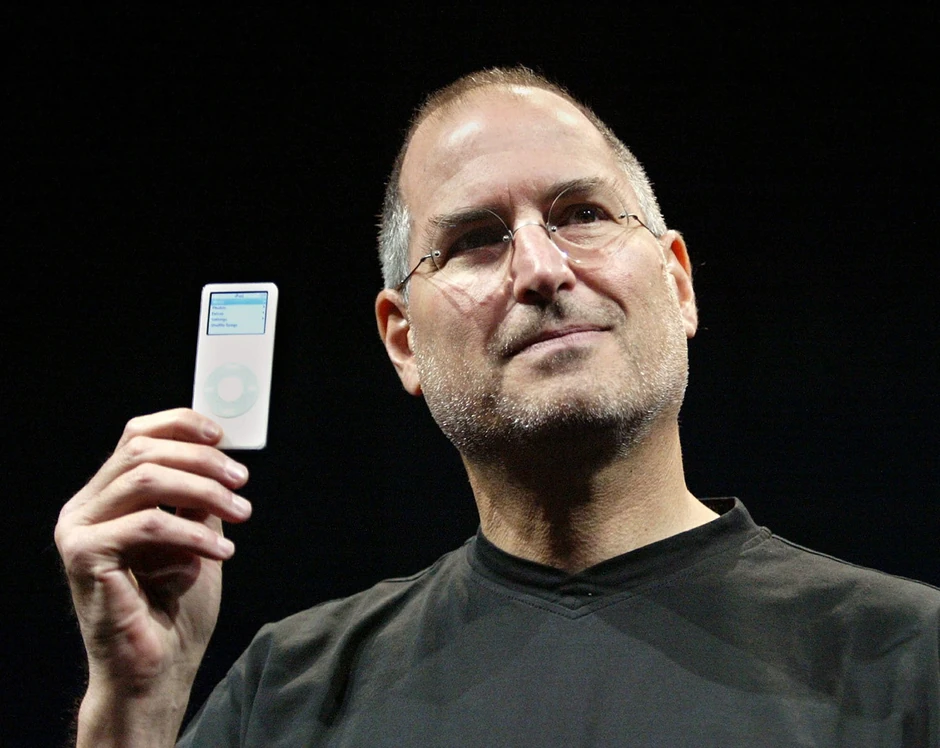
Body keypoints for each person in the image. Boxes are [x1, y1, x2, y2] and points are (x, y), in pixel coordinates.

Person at [56, 66, 939, 747]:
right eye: (477, 240)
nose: (542, 269)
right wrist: (134, 707)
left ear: (678, 284)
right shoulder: (287, 693)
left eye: (582, 213)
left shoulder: (910, 658)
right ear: (403, 340)